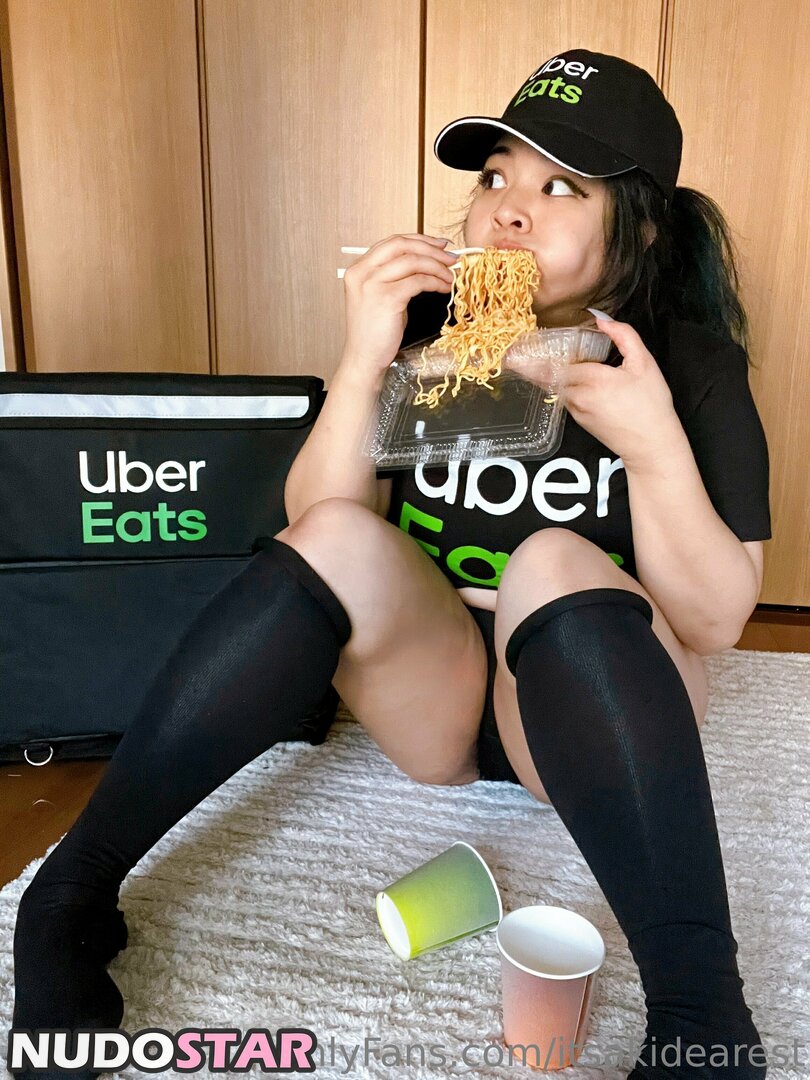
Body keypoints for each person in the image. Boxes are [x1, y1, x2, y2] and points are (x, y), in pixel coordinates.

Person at [11, 49, 771, 1080]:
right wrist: (365, 357)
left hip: (592, 717)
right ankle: (69, 893)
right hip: (436, 699)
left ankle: (705, 1015)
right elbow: (319, 526)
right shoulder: (425, 331)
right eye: (495, 177)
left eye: (562, 188)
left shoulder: (686, 362)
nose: (508, 210)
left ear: (640, 228)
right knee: (331, 536)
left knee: (552, 560)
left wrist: (654, 446)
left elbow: (717, 619)